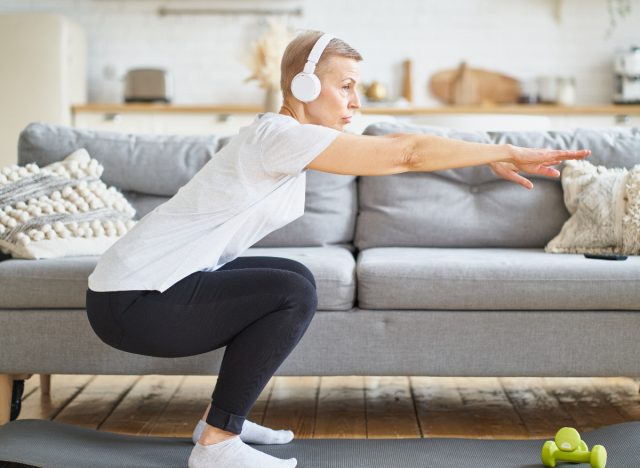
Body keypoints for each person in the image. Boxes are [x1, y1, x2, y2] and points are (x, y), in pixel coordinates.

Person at [85, 31, 590, 468]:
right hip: (134, 303)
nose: (355, 101)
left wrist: (486, 154)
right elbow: (406, 152)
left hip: (138, 293)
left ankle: (219, 421)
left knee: (296, 277)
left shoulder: (284, 134)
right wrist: (503, 150)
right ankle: (217, 445)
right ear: (303, 86)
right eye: (345, 86)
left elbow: (405, 147)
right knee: (290, 292)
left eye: (357, 88)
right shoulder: (279, 136)